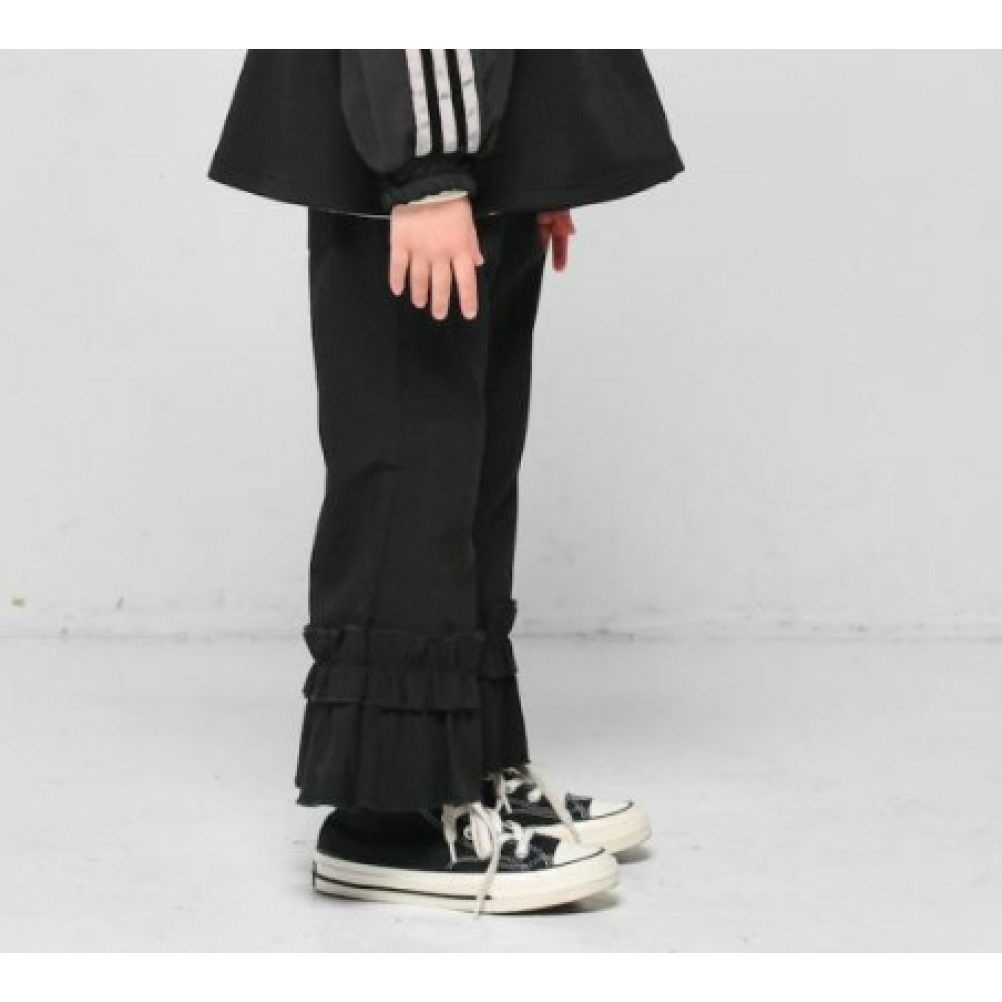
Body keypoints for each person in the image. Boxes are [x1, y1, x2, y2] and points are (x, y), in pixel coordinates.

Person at [210, 49, 683, 914]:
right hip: (419, 143)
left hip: (479, 140)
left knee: (471, 466)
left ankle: (467, 767)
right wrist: (426, 172)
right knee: (412, 460)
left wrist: (536, 155)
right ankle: (387, 817)